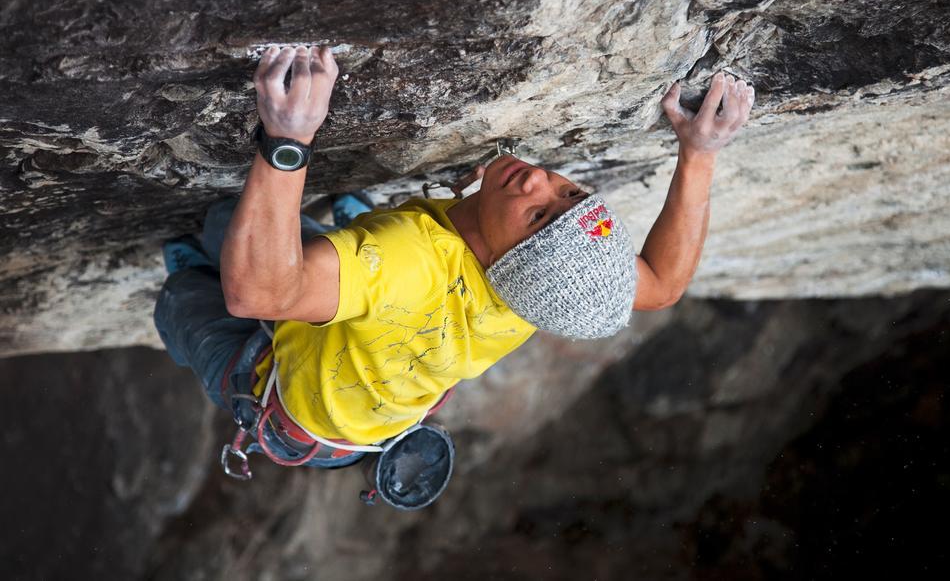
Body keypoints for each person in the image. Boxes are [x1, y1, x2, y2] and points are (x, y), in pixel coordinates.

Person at [154, 44, 754, 471]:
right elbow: (663, 285)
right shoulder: (553, 291)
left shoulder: (408, 260)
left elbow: (258, 295)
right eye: (569, 193)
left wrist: (288, 140)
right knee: (237, 231)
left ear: (507, 263)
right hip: (373, 373)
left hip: (297, 408)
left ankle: (191, 275)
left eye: (538, 214)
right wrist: (699, 153)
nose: (539, 179)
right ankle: (316, 240)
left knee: (195, 284)